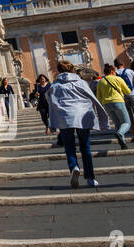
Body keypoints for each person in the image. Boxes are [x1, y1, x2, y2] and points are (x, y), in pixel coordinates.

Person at [46, 59, 110, 188]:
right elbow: (92, 98)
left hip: (65, 118)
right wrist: (102, 118)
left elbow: (51, 103)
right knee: (85, 147)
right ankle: (90, 178)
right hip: (82, 116)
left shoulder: (54, 86)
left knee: (69, 147)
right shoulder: (81, 83)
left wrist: (51, 123)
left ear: (59, 71)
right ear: (72, 70)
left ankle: (74, 167)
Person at [95, 63, 132, 149]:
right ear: (112, 71)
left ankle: (123, 143)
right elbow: (127, 91)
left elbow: (98, 97)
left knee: (117, 123)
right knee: (127, 122)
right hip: (118, 101)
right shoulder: (118, 79)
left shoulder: (101, 82)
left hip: (107, 104)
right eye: (114, 72)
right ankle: (120, 133)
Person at [117, 59, 134, 141]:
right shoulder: (129, 71)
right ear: (123, 63)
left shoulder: (115, 73)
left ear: (115, 65)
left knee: (130, 116)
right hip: (133, 93)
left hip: (123, 96)